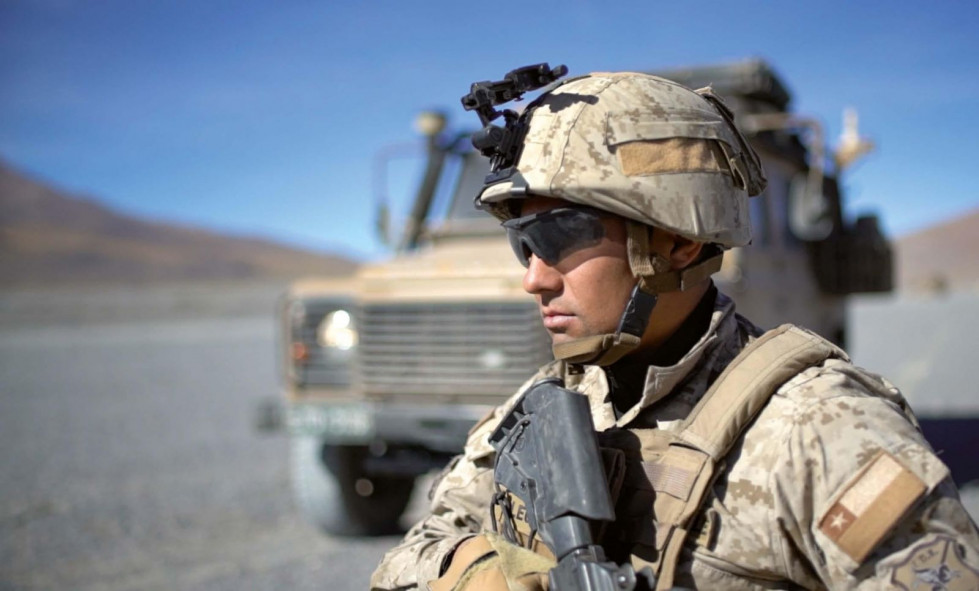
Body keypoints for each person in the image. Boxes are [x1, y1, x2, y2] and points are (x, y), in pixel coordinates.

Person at [370, 69, 979, 590]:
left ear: (680, 243)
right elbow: (419, 545)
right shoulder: (546, 405)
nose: (534, 280)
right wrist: (477, 572)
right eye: (521, 244)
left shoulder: (822, 433)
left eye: (559, 237)